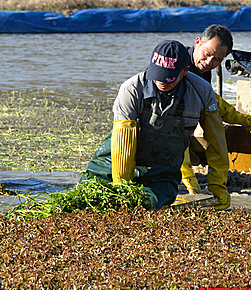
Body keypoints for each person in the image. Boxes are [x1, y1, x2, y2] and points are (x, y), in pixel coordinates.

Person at [84, 40, 226, 209]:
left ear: (185, 71)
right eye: (157, 75)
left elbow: (216, 143)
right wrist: (123, 189)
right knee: (85, 200)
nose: (161, 82)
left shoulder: (201, 91)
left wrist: (218, 186)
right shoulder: (131, 89)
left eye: (168, 78)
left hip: (160, 173)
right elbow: (123, 146)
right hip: (112, 163)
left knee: (148, 205)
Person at [181, 24, 251, 207]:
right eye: (207, 53)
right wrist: (187, 175)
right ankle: (189, 182)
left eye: (217, 59)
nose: (209, 62)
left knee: (216, 132)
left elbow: (209, 99)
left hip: (186, 120)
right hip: (164, 125)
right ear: (197, 42)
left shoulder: (203, 69)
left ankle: (218, 186)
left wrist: (237, 118)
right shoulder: (181, 64)